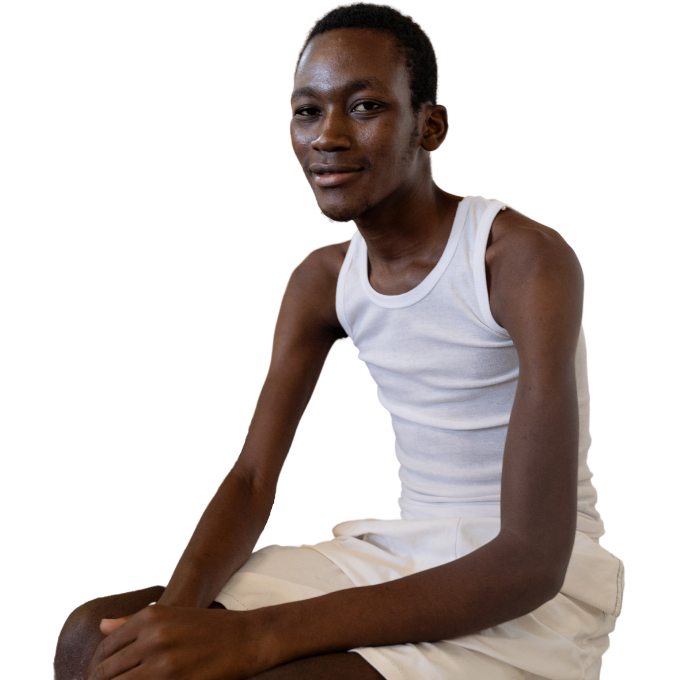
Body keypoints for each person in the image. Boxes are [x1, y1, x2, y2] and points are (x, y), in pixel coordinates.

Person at [53, 3, 625, 679]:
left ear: (430, 125)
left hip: (528, 576)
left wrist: (259, 638)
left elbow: (531, 558)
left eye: (364, 107)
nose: (327, 135)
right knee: (91, 638)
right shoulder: (321, 279)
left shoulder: (519, 259)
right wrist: (176, 618)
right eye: (306, 111)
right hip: (405, 549)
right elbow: (253, 478)